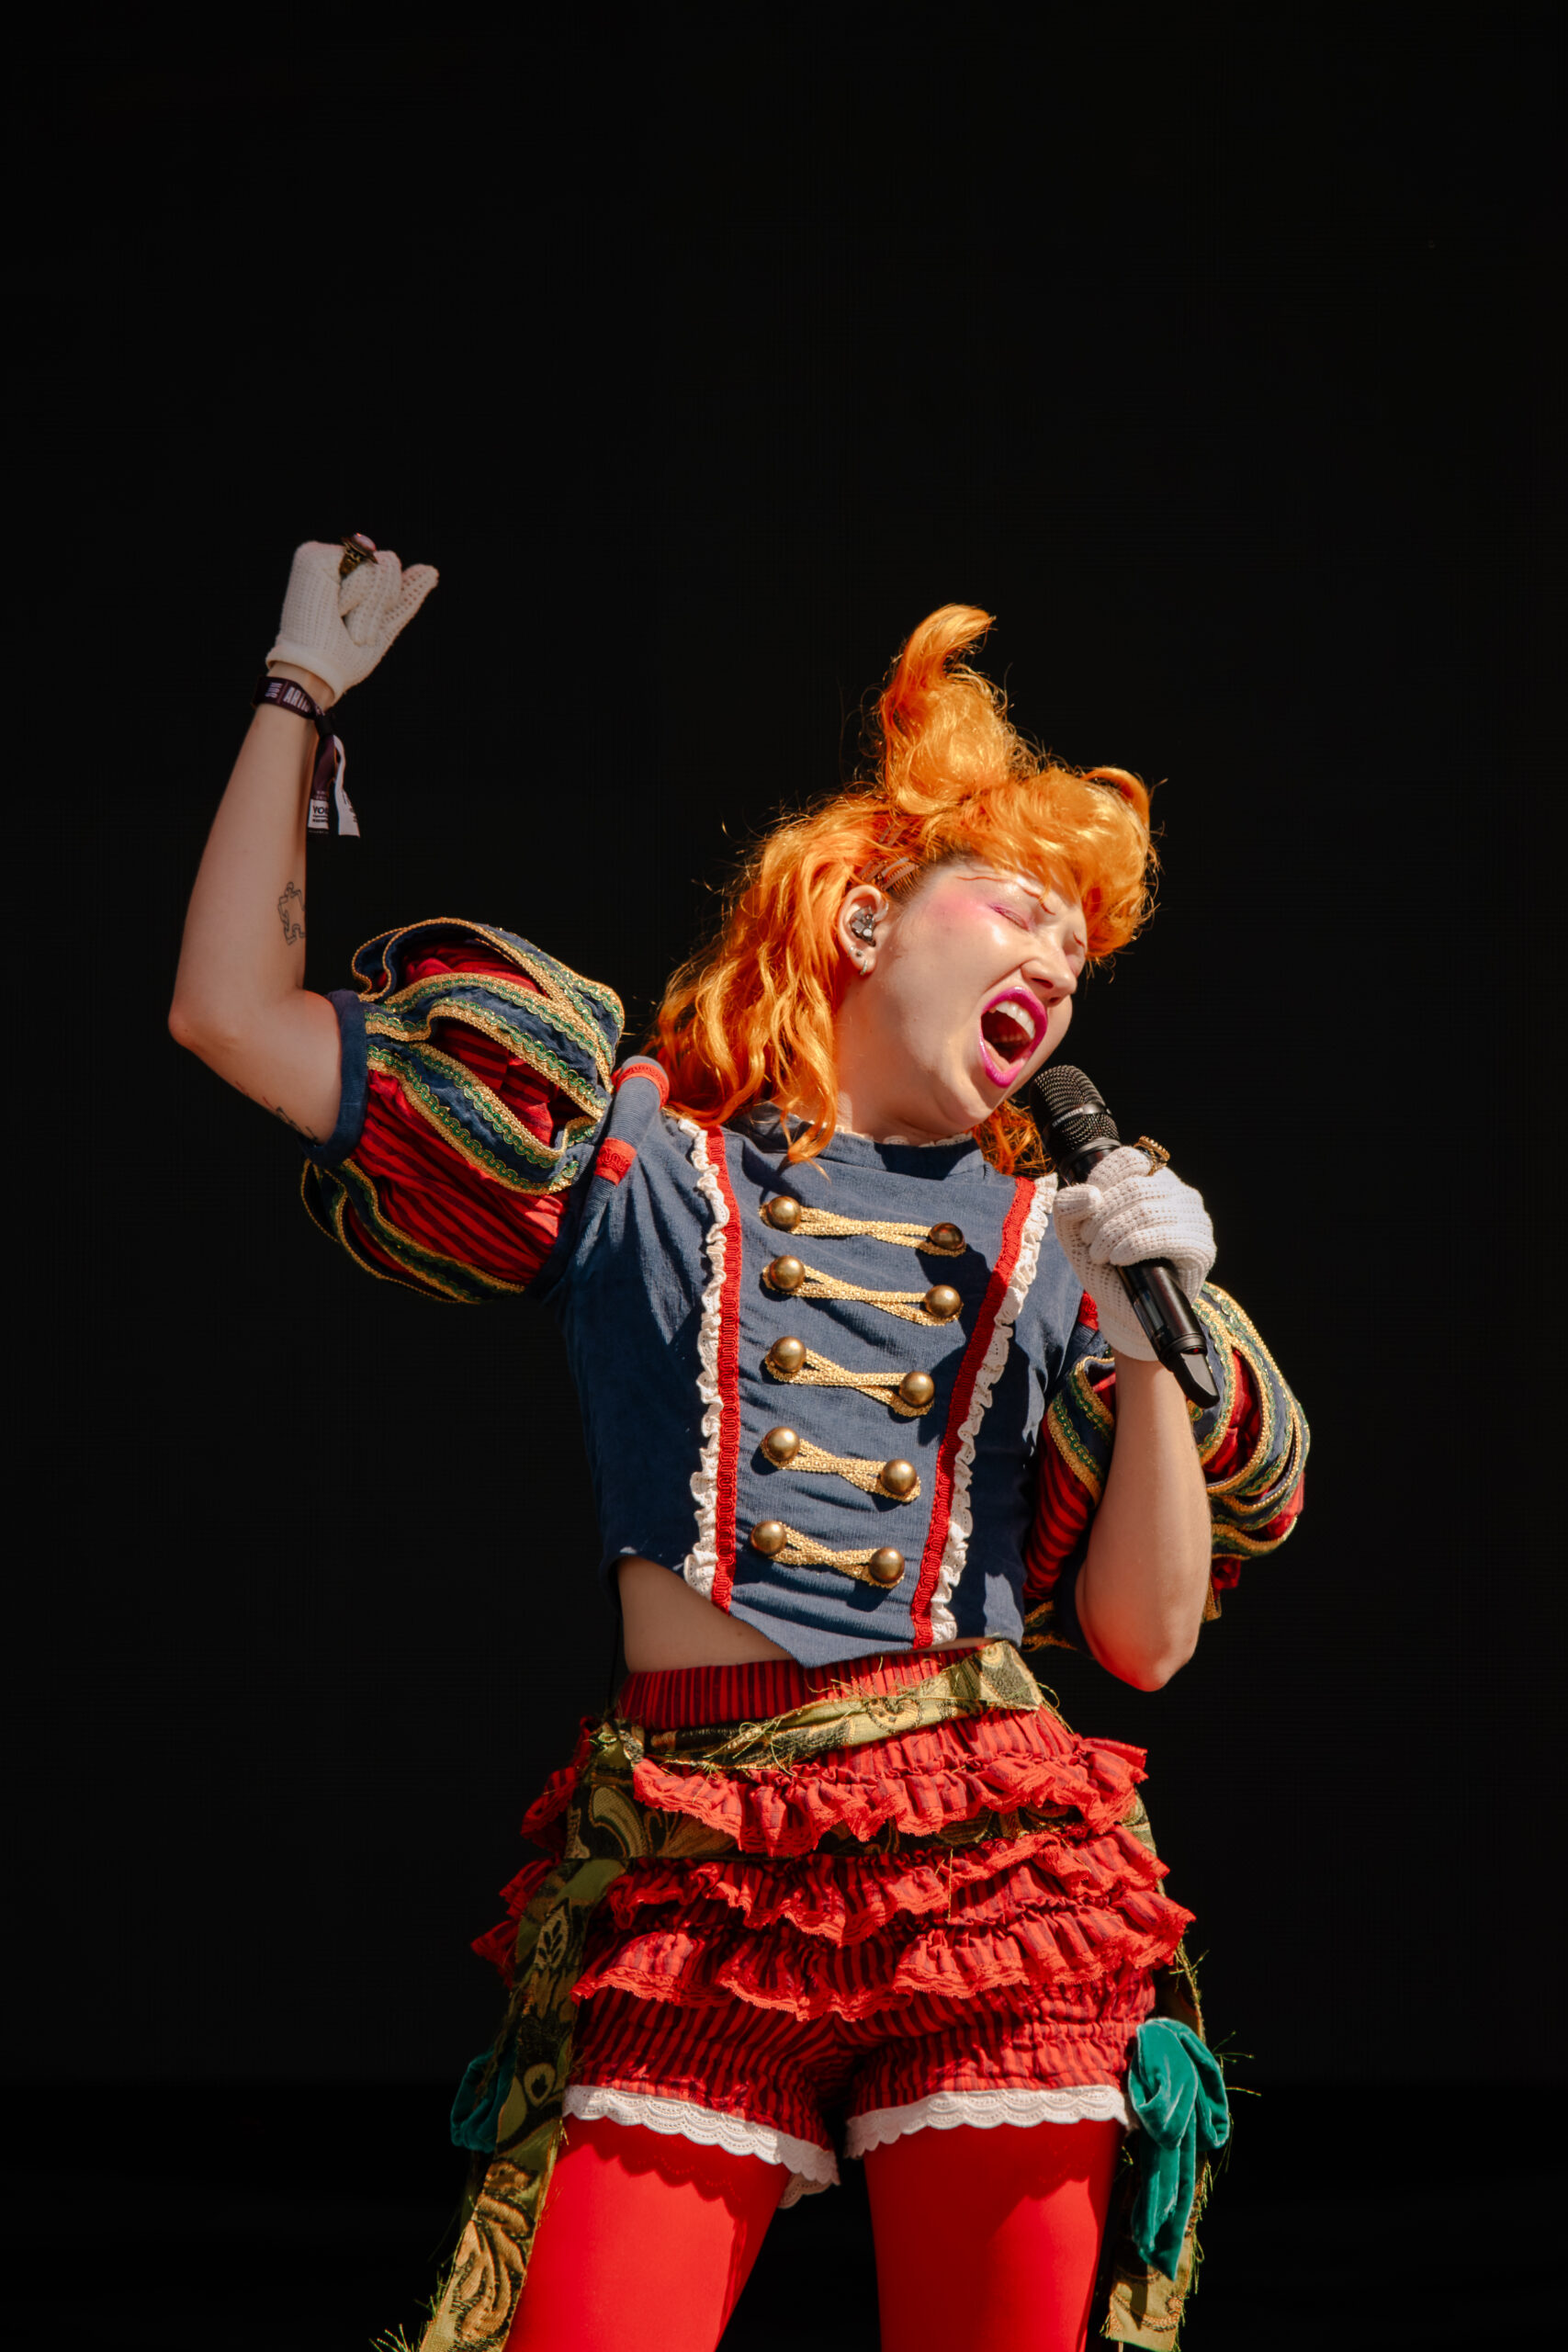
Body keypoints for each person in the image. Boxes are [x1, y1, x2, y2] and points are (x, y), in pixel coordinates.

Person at [171, 541, 1307, 2352]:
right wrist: (295, 695)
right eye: (1019, 908)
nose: (1054, 962)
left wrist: (1144, 1340)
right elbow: (227, 1013)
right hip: (701, 1855)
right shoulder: (639, 1164)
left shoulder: (1057, 1253)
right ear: (862, 920)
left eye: (1078, 954)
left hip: (986, 1859)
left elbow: (1147, 1641)